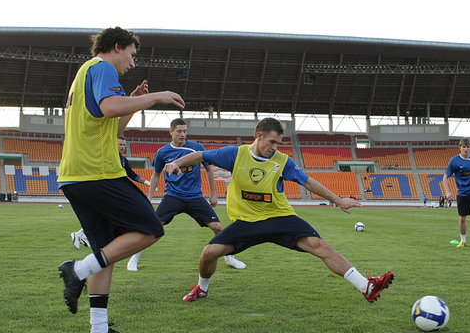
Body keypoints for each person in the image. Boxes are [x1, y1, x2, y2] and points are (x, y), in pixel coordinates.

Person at [164, 117, 394, 303]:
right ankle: (202, 290)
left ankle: (367, 286)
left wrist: (339, 200)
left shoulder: (282, 161)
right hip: (247, 222)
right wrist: (176, 163)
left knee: (320, 246)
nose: (275, 148)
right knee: (208, 253)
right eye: (272, 142)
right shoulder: (235, 154)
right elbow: (200, 155)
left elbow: (308, 182)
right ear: (259, 136)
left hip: (280, 218)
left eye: (278, 144)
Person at [57, 26, 185, 333]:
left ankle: (99, 331)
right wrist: (154, 96)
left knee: (106, 250)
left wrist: (135, 101)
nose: (132, 61)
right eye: (132, 53)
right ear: (118, 46)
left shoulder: (83, 75)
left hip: (75, 176)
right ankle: (77, 270)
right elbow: (110, 108)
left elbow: (114, 124)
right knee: (150, 228)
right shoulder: (101, 67)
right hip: (98, 172)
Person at [135, 118, 246, 272]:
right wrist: (149, 197)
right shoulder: (162, 152)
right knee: (154, 226)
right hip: (173, 196)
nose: (183, 134)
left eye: (185, 131)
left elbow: (208, 170)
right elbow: (156, 175)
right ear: (171, 132)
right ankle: (135, 258)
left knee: (218, 227)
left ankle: (229, 257)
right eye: (179, 131)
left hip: (195, 197)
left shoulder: (197, 148)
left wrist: (213, 194)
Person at [70, 136, 151, 250]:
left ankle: (81, 235)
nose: (122, 147)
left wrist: (147, 182)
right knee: (109, 217)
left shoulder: (123, 160)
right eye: (120, 145)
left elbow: (132, 175)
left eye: (124, 145)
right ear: (113, 145)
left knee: (108, 218)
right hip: (107, 191)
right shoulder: (106, 157)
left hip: (116, 192)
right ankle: (82, 236)